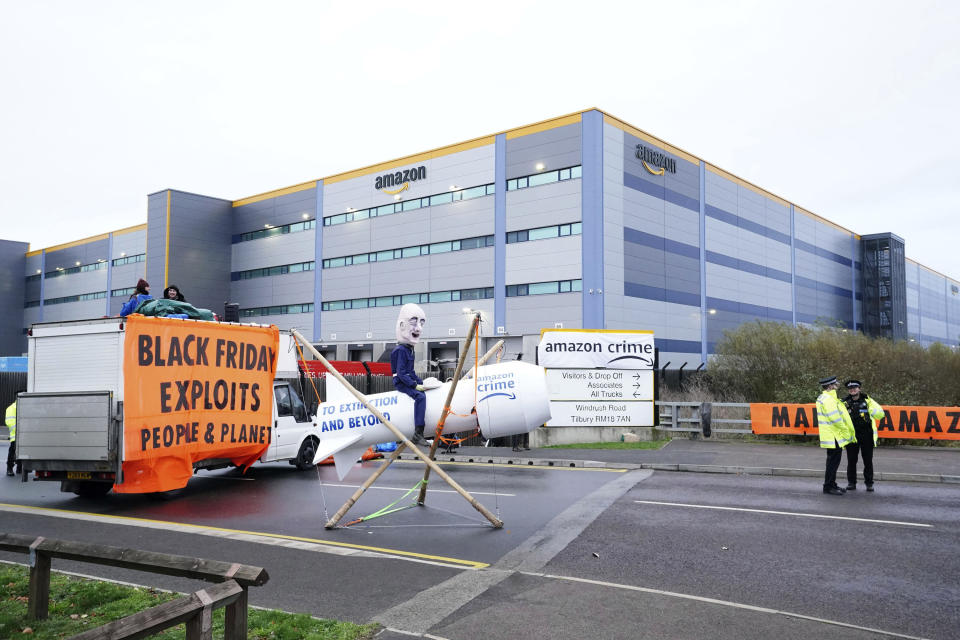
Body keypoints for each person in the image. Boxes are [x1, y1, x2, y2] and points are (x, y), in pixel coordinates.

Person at [391, 303, 429, 446]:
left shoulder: (409, 350)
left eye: (422, 323)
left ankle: (419, 431)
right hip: (401, 383)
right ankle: (418, 433)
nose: (418, 327)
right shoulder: (401, 350)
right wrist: (414, 385)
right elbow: (401, 373)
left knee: (423, 393)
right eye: (413, 322)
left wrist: (422, 382)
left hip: (406, 380)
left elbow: (411, 372)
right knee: (419, 396)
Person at [815, 375, 856, 495]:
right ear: (830, 386)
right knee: (833, 463)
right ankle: (828, 487)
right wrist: (845, 430)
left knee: (832, 462)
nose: (837, 385)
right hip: (834, 435)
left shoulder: (825, 397)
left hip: (831, 435)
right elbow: (835, 418)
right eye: (835, 384)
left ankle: (831, 484)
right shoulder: (828, 399)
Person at [843, 380, 885, 492]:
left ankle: (869, 483)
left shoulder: (868, 400)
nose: (852, 390)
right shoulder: (844, 402)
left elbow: (881, 415)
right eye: (850, 388)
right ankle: (851, 483)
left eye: (855, 387)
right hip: (852, 436)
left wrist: (870, 408)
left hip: (867, 435)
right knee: (851, 461)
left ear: (859, 389)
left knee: (868, 461)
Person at [5, 392, 21, 477]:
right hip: (16, 434)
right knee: (13, 451)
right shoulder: (11, 408)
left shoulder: (23, 407)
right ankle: (9, 468)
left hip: (23, 434)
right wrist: (19, 431)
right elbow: (10, 422)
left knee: (23, 451)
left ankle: (20, 467)